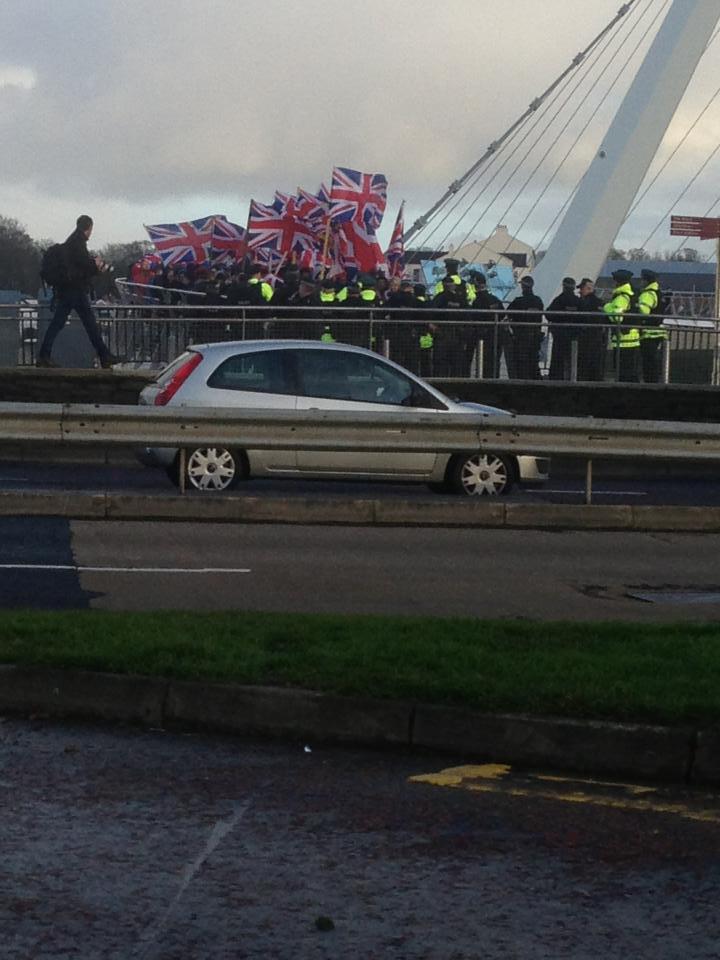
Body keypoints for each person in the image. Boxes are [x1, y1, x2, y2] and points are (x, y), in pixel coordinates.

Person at [37, 215, 118, 368]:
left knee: (65, 322)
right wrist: (96, 266)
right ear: (89, 228)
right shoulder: (78, 243)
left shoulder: (72, 241)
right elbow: (84, 266)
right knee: (87, 323)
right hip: (74, 289)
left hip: (70, 289)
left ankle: (44, 355)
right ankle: (104, 355)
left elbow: (78, 265)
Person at [604, 268, 640, 382]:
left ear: (618, 282)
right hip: (632, 339)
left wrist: (607, 308)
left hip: (623, 340)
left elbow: (617, 318)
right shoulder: (631, 294)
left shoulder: (621, 297)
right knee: (631, 372)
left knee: (622, 373)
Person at [504, 276, 544, 380]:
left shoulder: (518, 301)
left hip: (521, 337)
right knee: (534, 361)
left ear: (523, 287)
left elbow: (507, 313)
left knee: (521, 362)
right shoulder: (538, 301)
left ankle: (523, 381)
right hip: (535, 336)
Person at [469, 272, 504, 379]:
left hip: (483, 335)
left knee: (484, 361)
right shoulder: (494, 299)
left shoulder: (478, 301)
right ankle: (494, 379)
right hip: (496, 334)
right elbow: (502, 313)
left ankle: (484, 379)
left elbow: (474, 316)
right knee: (495, 360)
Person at [547, 277, 581, 380]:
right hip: (575, 335)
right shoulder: (578, 301)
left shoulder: (559, 300)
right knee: (572, 358)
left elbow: (549, 314)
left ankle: (556, 379)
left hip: (560, 334)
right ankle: (573, 378)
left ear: (563, 287)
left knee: (557, 359)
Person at [637, 268, 667, 383]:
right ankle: (654, 382)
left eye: (642, 280)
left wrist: (635, 308)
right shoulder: (659, 293)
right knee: (654, 361)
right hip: (659, 332)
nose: (640, 282)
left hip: (648, 333)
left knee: (648, 362)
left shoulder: (648, 294)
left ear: (646, 281)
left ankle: (649, 383)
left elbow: (643, 312)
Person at [575, 278, 607, 381]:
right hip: (598, 336)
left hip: (585, 337)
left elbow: (579, 318)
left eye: (582, 288)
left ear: (588, 289)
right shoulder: (600, 302)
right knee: (596, 362)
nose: (580, 291)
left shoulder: (583, 302)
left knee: (584, 362)